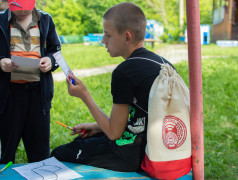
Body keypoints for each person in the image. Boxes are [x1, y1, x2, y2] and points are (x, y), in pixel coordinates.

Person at [51, 2, 175, 172]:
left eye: (107, 35)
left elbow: (113, 134)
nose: (103, 41)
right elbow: (140, 117)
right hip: (156, 148)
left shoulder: (125, 72)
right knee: (84, 140)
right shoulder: (162, 63)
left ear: (127, 37)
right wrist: (96, 126)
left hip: (130, 155)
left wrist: (84, 95)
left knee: (59, 153)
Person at [0, 0, 61, 163]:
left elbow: (55, 50)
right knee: (7, 149)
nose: (22, 12)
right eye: (17, 8)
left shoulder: (46, 20)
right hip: (9, 95)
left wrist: (50, 61)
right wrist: (1, 62)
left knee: (40, 150)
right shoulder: (1, 20)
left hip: (38, 94)